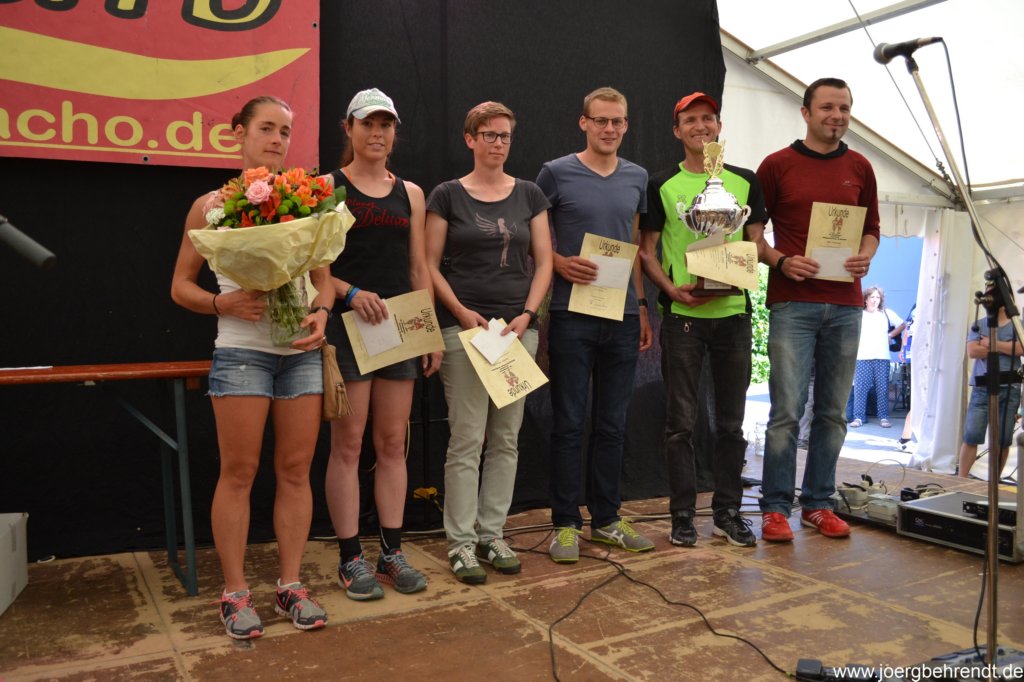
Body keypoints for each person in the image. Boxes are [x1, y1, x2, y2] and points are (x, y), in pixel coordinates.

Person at [170, 96, 330, 638]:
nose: (277, 139)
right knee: (238, 472)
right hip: (241, 352)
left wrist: (321, 311)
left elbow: (324, 280)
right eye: (266, 128)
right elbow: (181, 286)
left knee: (296, 470)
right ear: (239, 132)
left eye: (285, 130)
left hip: (300, 354)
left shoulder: (308, 202)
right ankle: (235, 593)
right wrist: (223, 303)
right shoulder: (212, 206)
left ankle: (291, 585)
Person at [425, 102, 553, 582]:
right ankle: (460, 543)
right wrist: (460, 313)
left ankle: (491, 533)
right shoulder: (446, 195)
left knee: (505, 439)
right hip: (464, 331)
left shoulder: (530, 194)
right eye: (489, 135)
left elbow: (544, 262)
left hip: (514, 333)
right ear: (470, 139)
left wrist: (527, 316)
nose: (498, 143)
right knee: (466, 439)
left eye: (505, 136)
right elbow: (428, 264)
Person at [323, 88, 441, 601]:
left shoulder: (411, 193)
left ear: (395, 132)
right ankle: (351, 558)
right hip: (348, 329)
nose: (377, 133)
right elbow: (314, 268)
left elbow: (417, 267)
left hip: (399, 329)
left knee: (393, 444)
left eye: (385, 125)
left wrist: (428, 331)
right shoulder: (327, 187)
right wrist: (350, 293)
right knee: (348, 446)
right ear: (348, 128)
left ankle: (391, 553)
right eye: (367, 124)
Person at [638, 92, 767, 548]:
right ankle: (682, 515)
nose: (701, 126)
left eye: (708, 118)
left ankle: (728, 512)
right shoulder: (661, 184)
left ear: (718, 127)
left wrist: (741, 264)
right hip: (684, 318)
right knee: (681, 425)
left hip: (733, 315)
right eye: (690, 120)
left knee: (731, 425)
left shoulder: (745, 182)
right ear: (677, 131)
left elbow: (757, 244)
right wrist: (671, 290)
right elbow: (646, 252)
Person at [756, 77, 881, 542]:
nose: (837, 115)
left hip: (847, 305)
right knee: (786, 411)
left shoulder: (861, 166)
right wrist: (781, 261)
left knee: (833, 412)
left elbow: (872, 228)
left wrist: (865, 255)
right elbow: (752, 235)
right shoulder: (776, 165)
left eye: (844, 108)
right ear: (806, 112)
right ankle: (774, 508)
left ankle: (818, 504)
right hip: (793, 303)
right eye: (827, 107)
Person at [537, 86, 654, 563]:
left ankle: (606, 520)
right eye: (601, 120)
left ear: (626, 125)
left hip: (621, 316)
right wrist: (559, 263)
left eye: (617, 121)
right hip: (571, 314)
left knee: (613, 425)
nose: (609, 129)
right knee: (568, 423)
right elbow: (532, 237)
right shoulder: (555, 172)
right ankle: (565, 525)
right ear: (583, 122)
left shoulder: (637, 177)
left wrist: (641, 306)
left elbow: (634, 246)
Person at [957, 293, 1023, 478]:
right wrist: (1006, 347)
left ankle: (995, 481)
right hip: (982, 386)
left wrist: (990, 343)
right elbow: (973, 351)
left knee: (1002, 439)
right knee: (971, 435)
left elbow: (1020, 349)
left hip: (1010, 387)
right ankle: (961, 480)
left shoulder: (1018, 324)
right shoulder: (979, 324)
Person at [849, 286, 902, 428]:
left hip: (882, 356)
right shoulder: (859, 314)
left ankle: (883, 417)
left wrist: (891, 335)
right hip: (862, 356)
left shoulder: (886, 313)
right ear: (865, 299)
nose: (875, 300)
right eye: (872, 297)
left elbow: (902, 324)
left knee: (882, 388)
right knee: (860, 388)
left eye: (877, 297)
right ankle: (859, 417)